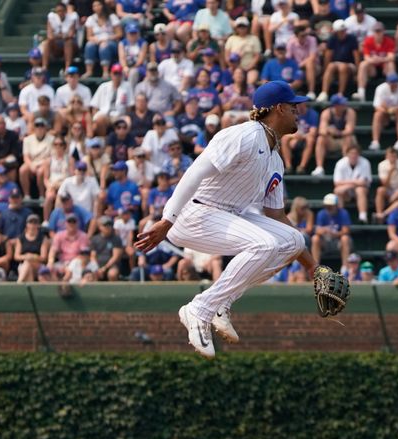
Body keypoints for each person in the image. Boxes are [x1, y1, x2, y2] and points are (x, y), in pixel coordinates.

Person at [133, 81, 315, 359]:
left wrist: (314, 267)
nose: (298, 112)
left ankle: (220, 303)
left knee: (292, 240)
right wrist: (166, 220)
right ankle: (200, 309)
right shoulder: (245, 135)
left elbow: (276, 216)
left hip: (227, 215)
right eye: (293, 107)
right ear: (278, 108)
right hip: (194, 213)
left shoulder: (275, 159)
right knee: (265, 245)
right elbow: (194, 173)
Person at [311, 94, 357, 176]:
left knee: (348, 137)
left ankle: (345, 167)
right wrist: (329, 130)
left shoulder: (350, 112)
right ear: (336, 105)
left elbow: (349, 130)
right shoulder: (326, 113)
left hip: (345, 141)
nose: (344, 105)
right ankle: (319, 168)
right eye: (342, 104)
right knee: (321, 139)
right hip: (331, 141)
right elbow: (322, 131)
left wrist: (336, 132)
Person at [316, 19, 360, 103]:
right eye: (340, 31)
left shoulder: (352, 39)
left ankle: (340, 94)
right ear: (336, 32)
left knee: (342, 66)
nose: (342, 33)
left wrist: (357, 73)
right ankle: (324, 93)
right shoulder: (332, 39)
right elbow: (328, 56)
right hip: (335, 64)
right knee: (330, 66)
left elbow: (356, 56)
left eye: (344, 31)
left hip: (350, 65)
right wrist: (324, 71)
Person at [353, 22, 395, 102]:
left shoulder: (389, 41)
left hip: (384, 68)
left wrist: (380, 59)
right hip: (373, 70)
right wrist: (375, 60)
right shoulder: (368, 41)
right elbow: (366, 58)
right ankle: (361, 93)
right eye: (376, 31)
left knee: (390, 64)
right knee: (363, 64)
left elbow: (391, 57)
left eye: (380, 31)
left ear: (383, 31)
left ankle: (391, 92)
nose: (378, 33)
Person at [369, 73, 398, 151]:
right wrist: (388, 110)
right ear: (387, 82)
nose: (393, 84)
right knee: (377, 114)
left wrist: (391, 109)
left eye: (395, 82)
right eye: (391, 82)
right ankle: (375, 142)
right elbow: (377, 106)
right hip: (385, 117)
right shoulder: (380, 88)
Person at [311, 192, 352, 268]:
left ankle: (345, 267)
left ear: (336, 205)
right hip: (325, 241)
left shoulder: (343, 213)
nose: (328, 208)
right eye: (327, 206)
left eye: (331, 206)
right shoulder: (321, 213)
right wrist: (324, 230)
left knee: (345, 238)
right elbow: (317, 230)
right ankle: (315, 266)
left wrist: (335, 234)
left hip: (338, 241)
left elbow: (346, 230)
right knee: (315, 238)